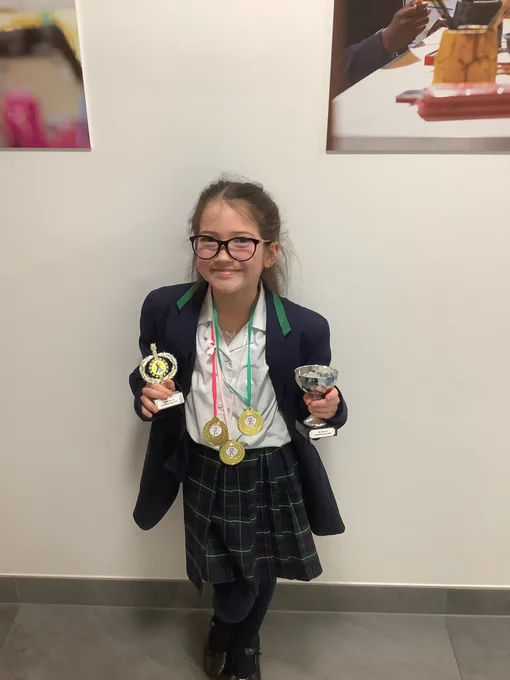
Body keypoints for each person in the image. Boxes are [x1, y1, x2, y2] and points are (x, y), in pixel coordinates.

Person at [129, 179, 348, 680]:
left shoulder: (306, 327)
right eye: (209, 240)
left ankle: (244, 643)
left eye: (241, 241)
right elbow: (149, 370)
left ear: (269, 252)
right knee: (226, 574)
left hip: (272, 464)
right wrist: (145, 393)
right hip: (202, 462)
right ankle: (226, 624)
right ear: (196, 246)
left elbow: (320, 405)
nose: (224, 255)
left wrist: (330, 409)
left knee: (260, 566)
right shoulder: (165, 309)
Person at [336, 1, 431, 95]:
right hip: (360, 94)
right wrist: (384, 42)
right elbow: (332, 72)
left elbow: (397, 40)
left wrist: (428, 43)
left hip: (393, 84)